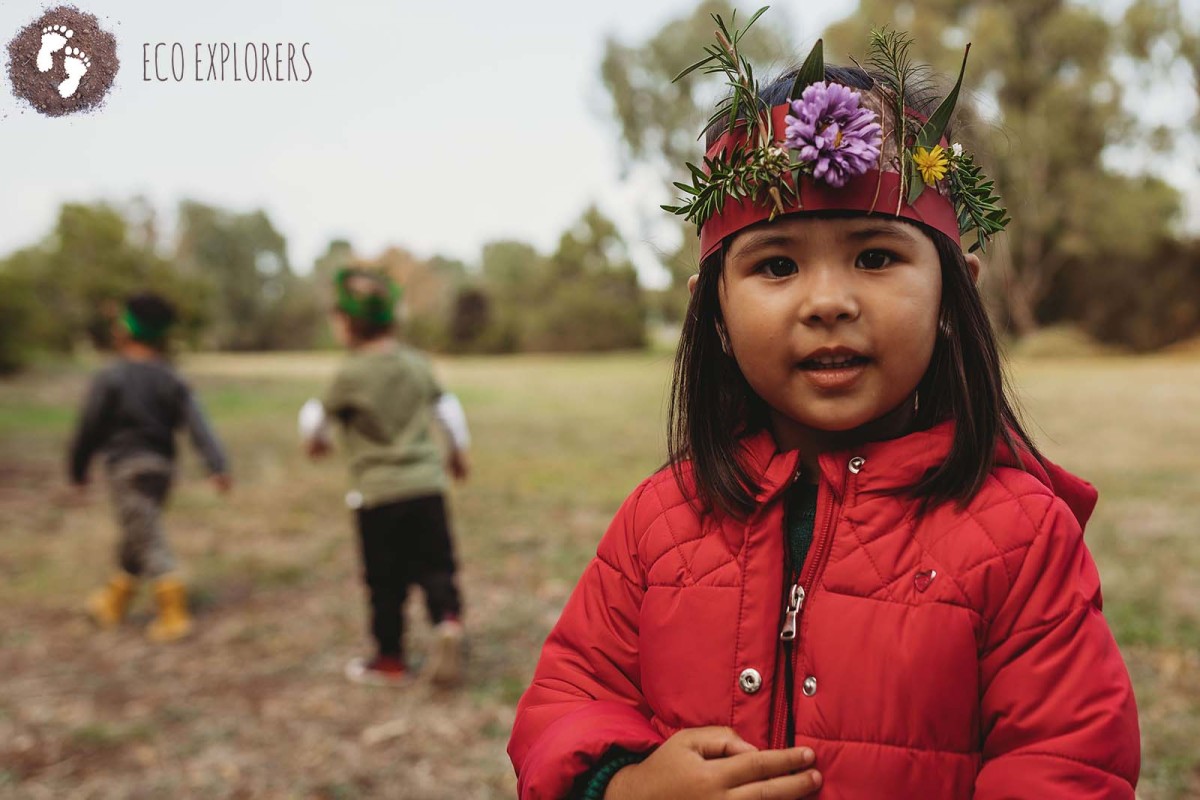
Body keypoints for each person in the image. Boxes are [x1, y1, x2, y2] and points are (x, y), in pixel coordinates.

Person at [508, 17, 1139, 800]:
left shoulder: (1017, 539)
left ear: (954, 291)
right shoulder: (656, 525)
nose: (829, 302)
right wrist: (625, 787)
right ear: (715, 314)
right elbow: (567, 702)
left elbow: (1067, 767)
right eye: (776, 265)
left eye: (875, 257)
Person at [302, 267, 471, 687]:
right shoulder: (417, 364)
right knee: (437, 568)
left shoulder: (349, 373)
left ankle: (391, 659)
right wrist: (457, 454)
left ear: (347, 324)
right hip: (427, 488)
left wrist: (316, 441)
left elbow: (315, 417)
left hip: (377, 497)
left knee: (385, 583)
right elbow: (449, 411)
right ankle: (447, 621)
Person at [71, 291, 231, 643]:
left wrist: (78, 466)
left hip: (126, 469)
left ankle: (173, 610)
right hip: (161, 470)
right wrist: (216, 465)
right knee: (139, 530)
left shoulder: (111, 377)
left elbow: (90, 425)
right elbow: (198, 423)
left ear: (125, 330)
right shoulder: (172, 378)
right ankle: (114, 600)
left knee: (146, 536)